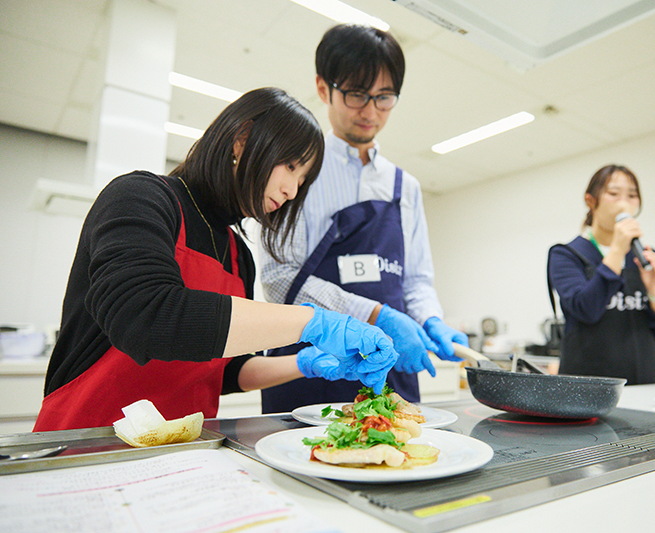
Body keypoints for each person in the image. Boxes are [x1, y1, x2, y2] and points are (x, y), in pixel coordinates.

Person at [33, 88, 398, 432]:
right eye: (290, 166)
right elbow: (144, 315)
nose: (292, 191)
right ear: (242, 139)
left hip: (184, 447)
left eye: (302, 180)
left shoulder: (239, 256)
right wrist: (311, 321)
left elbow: (223, 370)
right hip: (91, 438)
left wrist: (306, 363)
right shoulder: (141, 197)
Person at [259, 24, 468, 412]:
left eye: (384, 97)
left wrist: (430, 320)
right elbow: (280, 280)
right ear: (323, 88)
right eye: (356, 94)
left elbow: (415, 281)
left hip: (389, 367)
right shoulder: (297, 173)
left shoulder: (405, 187)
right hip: (312, 366)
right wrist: (377, 316)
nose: (371, 112)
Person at [547, 164, 655, 384]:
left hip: (645, 384)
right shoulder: (566, 254)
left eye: (632, 196)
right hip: (588, 386)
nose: (624, 203)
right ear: (591, 201)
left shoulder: (646, 256)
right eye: (613, 193)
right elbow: (587, 310)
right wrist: (617, 250)